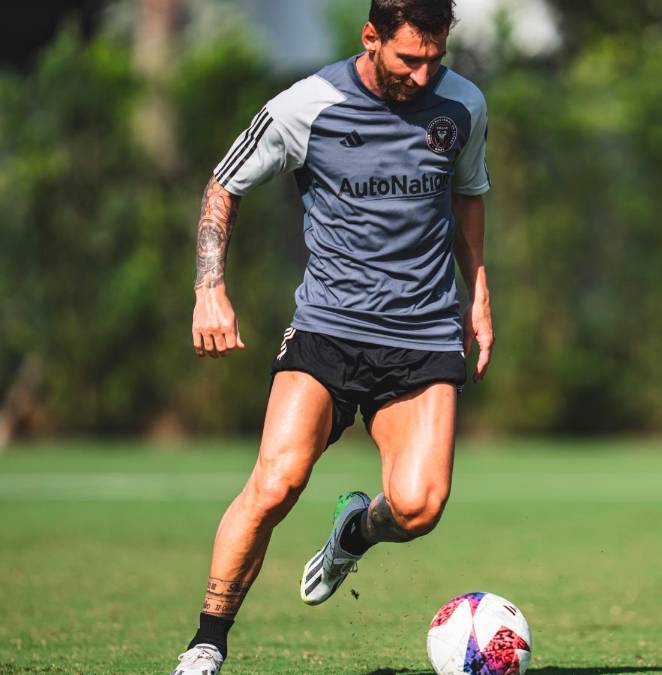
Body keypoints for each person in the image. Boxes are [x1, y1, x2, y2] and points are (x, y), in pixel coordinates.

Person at [169, 1, 493, 672]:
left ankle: (355, 530)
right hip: (329, 329)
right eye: (409, 59)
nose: (423, 74)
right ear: (371, 37)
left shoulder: (462, 105)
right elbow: (223, 185)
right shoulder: (306, 106)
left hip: (423, 332)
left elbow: (468, 195)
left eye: (435, 59)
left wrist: (480, 294)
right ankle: (207, 642)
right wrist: (209, 287)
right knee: (276, 483)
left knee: (419, 506)